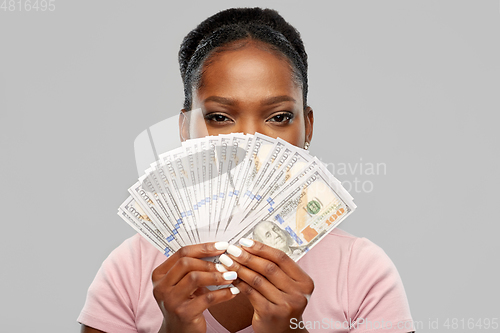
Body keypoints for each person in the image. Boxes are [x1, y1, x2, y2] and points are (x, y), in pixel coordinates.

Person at [78, 7, 414, 333]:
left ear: (307, 128)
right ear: (184, 130)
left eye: (279, 117)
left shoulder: (362, 272)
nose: (250, 142)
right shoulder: (129, 270)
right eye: (219, 117)